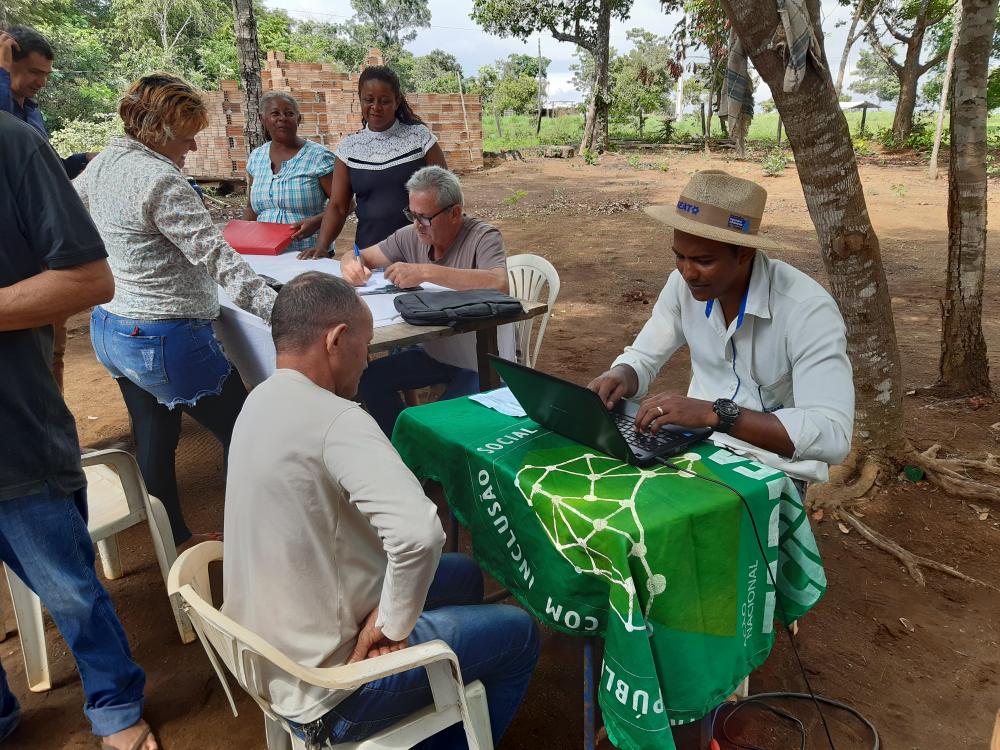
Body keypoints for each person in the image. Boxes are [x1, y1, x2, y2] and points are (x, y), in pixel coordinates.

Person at [222, 271, 539, 748]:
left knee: (462, 576)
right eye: (366, 346)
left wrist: (391, 617)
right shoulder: (337, 418)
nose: (367, 361)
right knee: (519, 633)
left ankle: (446, 702)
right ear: (336, 339)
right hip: (333, 691)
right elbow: (418, 534)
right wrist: (388, 625)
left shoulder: (259, 399)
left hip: (268, 656)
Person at [0, 112, 158, 750]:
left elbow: (91, 277)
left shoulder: (14, 145)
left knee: (68, 588)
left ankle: (116, 704)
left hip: (12, 430)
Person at [76, 74, 277, 552]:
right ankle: (255, 539)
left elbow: (72, 212)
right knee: (248, 430)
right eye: (187, 135)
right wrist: (281, 312)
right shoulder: (161, 179)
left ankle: (174, 539)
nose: (192, 146)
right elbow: (218, 260)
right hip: (164, 338)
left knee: (154, 434)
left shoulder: (107, 161)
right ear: (160, 131)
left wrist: (122, 258)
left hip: (111, 327)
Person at [588, 170, 854, 487]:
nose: (688, 272)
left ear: (744, 253)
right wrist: (620, 375)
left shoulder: (806, 310)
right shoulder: (681, 287)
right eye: (679, 256)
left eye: (703, 260)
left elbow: (833, 435)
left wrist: (717, 414)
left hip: (772, 469)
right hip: (695, 449)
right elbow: (644, 357)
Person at [341, 166, 510, 436]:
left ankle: (415, 451)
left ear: (455, 212)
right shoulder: (412, 235)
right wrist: (349, 262)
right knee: (369, 378)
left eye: (425, 217)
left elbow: (499, 283)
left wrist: (426, 272)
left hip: (481, 358)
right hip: (436, 352)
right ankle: (403, 449)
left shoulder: (483, 236)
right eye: (412, 214)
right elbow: (363, 255)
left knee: (430, 425)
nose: (417, 225)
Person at [0, 26, 96, 391]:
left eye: (46, 75)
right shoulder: (6, 111)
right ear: (10, 62)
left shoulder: (32, 113)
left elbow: (45, 167)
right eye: (34, 72)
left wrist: (82, 159)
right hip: (13, 264)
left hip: (44, 254)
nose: (41, 82)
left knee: (51, 351)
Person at [300, 65, 448, 259]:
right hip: (370, 252)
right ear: (360, 100)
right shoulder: (349, 148)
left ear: (396, 102)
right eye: (369, 100)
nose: (376, 107)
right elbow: (338, 206)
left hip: (420, 250)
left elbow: (446, 193)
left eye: (384, 101)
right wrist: (322, 246)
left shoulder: (420, 138)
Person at [243, 91, 336, 255]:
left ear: (298, 119)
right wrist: (243, 243)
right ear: (262, 119)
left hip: (308, 253)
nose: (282, 118)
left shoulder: (319, 157)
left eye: (289, 113)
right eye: (275, 114)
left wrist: (317, 221)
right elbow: (251, 208)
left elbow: (346, 204)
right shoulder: (256, 158)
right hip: (264, 253)